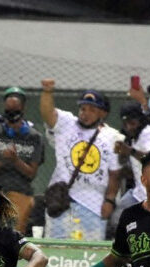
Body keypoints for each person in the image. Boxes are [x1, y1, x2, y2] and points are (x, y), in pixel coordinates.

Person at [40, 80, 120, 241]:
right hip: (62, 201)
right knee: (55, 251)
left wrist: (109, 201)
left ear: (103, 113)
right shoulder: (67, 124)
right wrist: (47, 92)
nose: (85, 113)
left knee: (87, 255)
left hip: (94, 205)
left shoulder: (113, 136)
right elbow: (48, 113)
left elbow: (115, 174)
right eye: (83, 108)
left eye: (92, 109)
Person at [0, 89, 44, 233]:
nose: (12, 113)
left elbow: (31, 173)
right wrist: (3, 159)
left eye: (15, 109)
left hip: (21, 190)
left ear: (23, 108)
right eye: (8, 109)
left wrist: (15, 160)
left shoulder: (34, 137)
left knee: (12, 234)